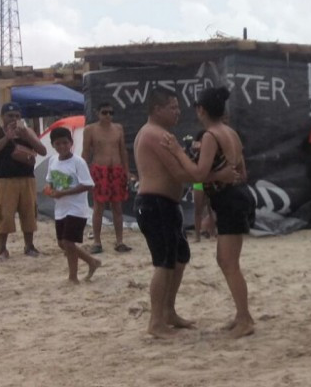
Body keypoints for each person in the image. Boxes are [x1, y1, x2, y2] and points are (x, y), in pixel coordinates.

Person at [133, 88, 238, 339]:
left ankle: (168, 311)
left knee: (180, 257)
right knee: (164, 262)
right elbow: (182, 174)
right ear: (157, 109)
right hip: (154, 203)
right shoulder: (153, 134)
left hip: (166, 204)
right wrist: (217, 175)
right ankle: (155, 321)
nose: (178, 112)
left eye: (179, 107)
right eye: (173, 107)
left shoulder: (163, 134)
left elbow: (183, 170)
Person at [164, 87, 255, 338]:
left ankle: (245, 318)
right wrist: (222, 177)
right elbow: (242, 173)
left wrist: (177, 152)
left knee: (229, 263)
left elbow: (200, 174)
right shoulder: (231, 133)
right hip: (238, 196)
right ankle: (241, 314)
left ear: (200, 110)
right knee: (226, 261)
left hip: (230, 200)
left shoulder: (210, 136)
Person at [0, 102, 46, 261]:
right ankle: (2, 248)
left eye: (17, 116)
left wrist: (27, 137)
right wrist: (6, 138)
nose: (14, 119)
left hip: (27, 178)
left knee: (29, 213)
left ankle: (29, 246)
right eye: (10, 116)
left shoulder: (27, 132)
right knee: (4, 214)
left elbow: (43, 151)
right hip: (5, 180)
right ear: (2, 116)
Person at [43, 127, 101, 282]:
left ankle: (73, 276)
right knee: (62, 243)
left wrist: (65, 192)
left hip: (76, 208)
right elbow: (50, 181)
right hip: (60, 208)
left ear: (71, 143)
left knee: (69, 242)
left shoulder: (78, 162)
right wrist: (50, 190)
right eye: (58, 144)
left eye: (65, 143)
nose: (62, 147)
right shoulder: (53, 160)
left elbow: (88, 184)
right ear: (53, 145)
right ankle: (91, 261)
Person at [82, 102, 132, 253]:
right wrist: (82, 172)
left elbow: (123, 150)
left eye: (111, 113)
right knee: (99, 207)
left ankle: (119, 241)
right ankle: (97, 242)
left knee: (117, 207)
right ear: (98, 113)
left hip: (116, 169)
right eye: (105, 113)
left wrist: (127, 171)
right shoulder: (90, 130)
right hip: (99, 170)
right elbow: (85, 153)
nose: (108, 116)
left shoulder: (118, 128)